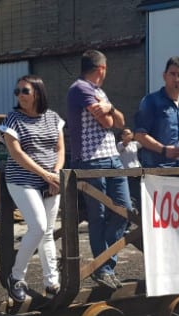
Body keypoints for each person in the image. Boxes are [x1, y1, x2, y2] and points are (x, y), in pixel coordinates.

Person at [66, 49, 130, 290]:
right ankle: (102, 269)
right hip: (91, 160)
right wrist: (109, 113)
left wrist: (110, 108)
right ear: (101, 69)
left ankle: (105, 266)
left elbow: (120, 121)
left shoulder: (100, 92)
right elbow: (107, 123)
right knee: (99, 215)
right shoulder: (81, 88)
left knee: (124, 210)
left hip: (112, 158)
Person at [0, 75, 65, 302]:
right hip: (22, 179)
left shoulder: (53, 117)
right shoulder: (13, 118)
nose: (19, 95)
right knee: (38, 227)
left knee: (48, 232)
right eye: (16, 92)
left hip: (49, 180)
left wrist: (55, 175)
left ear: (37, 91)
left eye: (24, 91)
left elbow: (60, 148)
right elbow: (16, 153)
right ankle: (16, 277)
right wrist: (45, 175)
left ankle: (52, 282)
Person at [134, 56, 179, 168]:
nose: (176, 79)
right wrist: (164, 150)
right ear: (164, 76)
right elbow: (139, 135)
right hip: (157, 171)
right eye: (172, 74)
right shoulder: (151, 101)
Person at [116, 128, 141, 208]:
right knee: (130, 193)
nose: (128, 135)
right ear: (122, 136)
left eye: (130, 133)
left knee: (138, 192)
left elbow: (143, 143)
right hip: (127, 173)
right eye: (126, 134)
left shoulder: (135, 144)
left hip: (137, 171)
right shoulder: (119, 144)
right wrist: (127, 139)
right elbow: (124, 145)